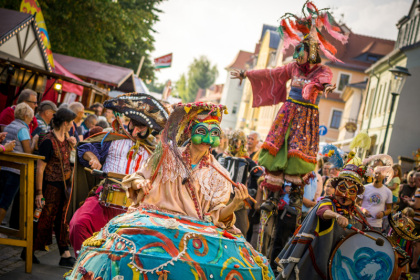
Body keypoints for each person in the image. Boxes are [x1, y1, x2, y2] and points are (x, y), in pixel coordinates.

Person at [65, 102, 274, 280]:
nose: (209, 139)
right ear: (190, 132)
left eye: (215, 133)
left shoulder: (219, 173)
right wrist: (139, 184)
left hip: (197, 231)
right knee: (123, 251)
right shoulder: (165, 156)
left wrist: (235, 205)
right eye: (202, 131)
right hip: (155, 220)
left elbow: (217, 216)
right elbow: (140, 175)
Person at [230, 2, 342, 187]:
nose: (297, 55)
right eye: (296, 51)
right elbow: (271, 73)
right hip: (288, 112)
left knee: (296, 161)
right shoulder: (293, 67)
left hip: (306, 118)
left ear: (311, 52)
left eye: (301, 52)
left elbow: (323, 81)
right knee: (278, 150)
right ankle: (271, 193)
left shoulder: (323, 70)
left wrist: (327, 87)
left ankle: (294, 194)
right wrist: (246, 73)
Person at [69, 93, 168, 256]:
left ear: (150, 128)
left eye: (142, 126)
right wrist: (93, 158)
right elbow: (85, 148)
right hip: (104, 196)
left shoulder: (155, 151)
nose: (136, 129)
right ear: (128, 120)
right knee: (79, 224)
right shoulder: (111, 137)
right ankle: (85, 265)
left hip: (135, 206)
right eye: (134, 123)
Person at [276, 162, 370, 279]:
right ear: (335, 189)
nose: (345, 195)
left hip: (341, 264)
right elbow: (322, 211)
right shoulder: (328, 202)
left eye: (351, 191)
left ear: (356, 195)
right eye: (342, 188)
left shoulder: (357, 213)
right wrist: (337, 216)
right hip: (317, 259)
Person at [33, 107, 77, 266]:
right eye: (71, 122)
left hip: (64, 187)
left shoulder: (66, 139)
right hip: (49, 186)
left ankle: (64, 254)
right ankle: (28, 250)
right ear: (65, 123)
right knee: (43, 218)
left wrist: (73, 143)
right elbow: (40, 168)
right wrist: (39, 193)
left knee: (62, 220)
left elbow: (70, 160)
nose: (72, 125)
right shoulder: (47, 140)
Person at [0, 103, 38, 225]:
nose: (32, 120)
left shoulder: (8, 126)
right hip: (16, 170)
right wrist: (35, 141)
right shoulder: (23, 129)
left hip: (4, 167)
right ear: (26, 116)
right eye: (31, 117)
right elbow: (28, 152)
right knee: (5, 201)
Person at [360, 158, 394, 232]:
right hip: (361, 222)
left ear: (384, 176)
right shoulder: (364, 188)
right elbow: (356, 204)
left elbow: (389, 209)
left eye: (380, 173)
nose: (377, 175)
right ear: (373, 174)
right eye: (376, 173)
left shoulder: (388, 192)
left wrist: (383, 213)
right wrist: (363, 210)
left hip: (376, 225)